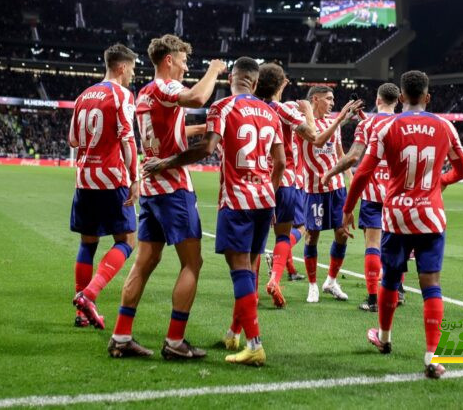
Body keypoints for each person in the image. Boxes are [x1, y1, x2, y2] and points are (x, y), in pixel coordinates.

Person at [143, 57, 286, 367]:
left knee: (240, 271)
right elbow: (282, 163)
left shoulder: (223, 108)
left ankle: (254, 344)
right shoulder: (270, 113)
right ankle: (235, 333)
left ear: (230, 79)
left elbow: (207, 149)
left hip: (237, 201)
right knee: (249, 267)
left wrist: (166, 162)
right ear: (256, 82)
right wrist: (271, 195)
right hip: (265, 200)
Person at [340, 70, 463, 379]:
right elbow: (462, 170)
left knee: (390, 280)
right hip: (431, 216)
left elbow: (361, 173)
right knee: (431, 284)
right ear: (427, 96)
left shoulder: (386, 128)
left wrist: (347, 210)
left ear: (400, 97)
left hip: (396, 215)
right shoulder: (445, 127)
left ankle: (383, 339)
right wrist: (441, 181)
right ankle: (431, 358)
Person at [107, 35, 227, 359]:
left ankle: (120, 336)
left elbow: (165, 131)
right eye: (184, 60)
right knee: (193, 262)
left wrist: (201, 130)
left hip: (150, 188)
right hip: (172, 187)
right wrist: (215, 70)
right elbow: (199, 96)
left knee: (145, 261)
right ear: (168, 61)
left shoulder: (144, 94)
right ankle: (175, 342)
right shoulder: (166, 87)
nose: (187, 66)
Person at [69, 43, 139, 329]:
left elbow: (73, 140)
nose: (134, 74)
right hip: (112, 180)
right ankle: (89, 294)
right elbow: (127, 140)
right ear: (121, 67)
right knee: (126, 241)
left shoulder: (83, 95)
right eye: (133, 68)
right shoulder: (122, 95)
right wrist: (135, 179)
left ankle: (80, 312)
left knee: (88, 243)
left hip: (85, 179)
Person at [322, 83, 400, 312]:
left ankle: (373, 299)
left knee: (373, 246)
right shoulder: (404, 124)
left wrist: (330, 172)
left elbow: (353, 157)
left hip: (374, 194)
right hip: (399, 195)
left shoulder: (368, 124)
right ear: (397, 100)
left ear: (377, 100)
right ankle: (398, 292)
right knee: (396, 247)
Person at [254, 63, 317, 308]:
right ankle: (275, 279)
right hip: (286, 181)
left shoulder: (249, 107)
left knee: (256, 240)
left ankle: (253, 295)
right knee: (285, 233)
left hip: (258, 181)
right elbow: (311, 134)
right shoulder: (283, 110)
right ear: (282, 84)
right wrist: (309, 111)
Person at [300, 86, 363, 303]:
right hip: (314, 189)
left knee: (342, 233)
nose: (332, 102)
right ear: (315, 99)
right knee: (312, 236)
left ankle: (331, 281)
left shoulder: (332, 123)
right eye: (329, 99)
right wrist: (340, 119)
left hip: (336, 188)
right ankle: (312, 285)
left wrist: (352, 178)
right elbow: (316, 140)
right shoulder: (302, 124)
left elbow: (340, 154)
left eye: (333, 99)